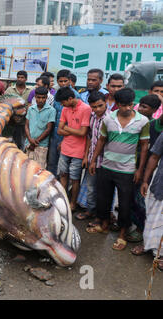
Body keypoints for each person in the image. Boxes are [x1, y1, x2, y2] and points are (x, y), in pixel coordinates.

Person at [87, 88, 150, 252]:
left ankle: (122, 234)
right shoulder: (108, 119)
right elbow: (101, 141)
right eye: (123, 105)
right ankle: (104, 225)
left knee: (125, 204)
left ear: (133, 103)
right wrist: (93, 160)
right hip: (107, 166)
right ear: (117, 104)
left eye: (130, 105)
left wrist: (139, 170)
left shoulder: (142, 121)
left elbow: (144, 147)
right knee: (103, 199)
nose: (127, 108)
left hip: (127, 170)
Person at [56, 86, 91, 211]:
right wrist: (73, 130)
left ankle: (73, 203)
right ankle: (63, 201)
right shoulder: (66, 108)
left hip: (78, 151)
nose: (62, 104)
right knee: (63, 175)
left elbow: (83, 133)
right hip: (65, 148)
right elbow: (59, 130)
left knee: (75, 178)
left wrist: (66, 128)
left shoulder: (86, 109)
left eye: (63, 102)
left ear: (70, 98)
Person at [130, 133, 163, 270]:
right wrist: (145, 181)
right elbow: (154, 156)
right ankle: (148, 244)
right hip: (160, 183)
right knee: (152, 214)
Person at [76, 91, 108, 221]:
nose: (97, 109)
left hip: (105, 161)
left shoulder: (110, 118)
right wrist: (86, 157)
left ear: (105, 102)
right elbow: (89, 138)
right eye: (94, 107)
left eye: (100, 105)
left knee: (103, 190)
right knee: (90, 187)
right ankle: (90, 210)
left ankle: (100, 215)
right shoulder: (93, 116)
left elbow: (105, 142)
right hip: (92, 159)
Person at [47, 69, 80, 177]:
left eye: (65, 81)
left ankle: (62, 189)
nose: (63, 84)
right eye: (60, 81)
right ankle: (50, 186)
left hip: (67, 136)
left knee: (64, 166)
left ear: (70, 81)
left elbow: (75, 121)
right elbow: (54, 114)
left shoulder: (75, 96)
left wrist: (65, 139)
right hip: (55, 133)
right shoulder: (57, 94)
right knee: (51, 162)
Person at [24, 86, 56, 168]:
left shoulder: (51, 110)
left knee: (39, 169)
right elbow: (26, 125)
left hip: (41, 145)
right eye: (38, 97)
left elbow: (48, 129)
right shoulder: (31, 109)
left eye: (43, 98)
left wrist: (35, 142)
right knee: (26, 169)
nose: (41, 100)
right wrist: (30, 140)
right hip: (28, 143)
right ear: (35, 97)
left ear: (46, 97)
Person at [4, 71, 33, 151]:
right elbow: (5, 103)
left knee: (22, 143)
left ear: (26, 79)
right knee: (10, 143)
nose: (20, 79)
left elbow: (31, 105)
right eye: (18, 77)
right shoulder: (10, 90)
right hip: (11, 121)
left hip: (24, 122)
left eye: (22, 77)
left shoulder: (30, 90)